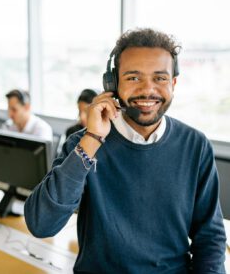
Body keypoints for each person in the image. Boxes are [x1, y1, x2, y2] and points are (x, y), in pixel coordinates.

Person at [24, 28, 226, 273]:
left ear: (173, 83)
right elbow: (41, 224)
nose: (147, 89)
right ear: (112, 84)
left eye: (160, 78)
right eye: (133, 77)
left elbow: (210, 240)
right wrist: (93, 138)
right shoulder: (83, 145)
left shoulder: (195, 146)